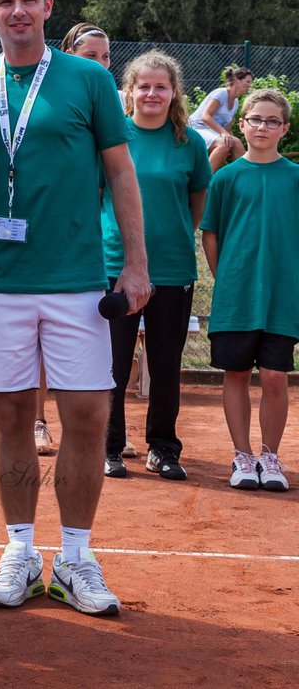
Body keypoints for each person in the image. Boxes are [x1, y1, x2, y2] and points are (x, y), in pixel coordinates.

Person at [0, 0, 151, 617]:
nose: (17, 10)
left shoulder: (88, 80)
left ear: (47, 7)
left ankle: (75, 558)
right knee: (11, 415)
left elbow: (122, 175)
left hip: (76, 279)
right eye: (4, 0)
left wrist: (135, 263)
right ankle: (19, 550)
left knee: (88, 415)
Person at [102, 51, 210, 480]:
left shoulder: (191, 143)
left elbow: (196, 200)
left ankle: (162, 447)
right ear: (129, 91)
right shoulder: (113, 135)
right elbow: (95, 196)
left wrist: (173, 234)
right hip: (114, 266)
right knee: (111, 364)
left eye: (160, 86)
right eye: (143, 86)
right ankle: (109, 446)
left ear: (173, 93)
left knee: (165, 364)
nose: (151, 93)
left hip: (173, 269)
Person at [201, 88, 296, 492]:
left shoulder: (294, 177)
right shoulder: (225, 177)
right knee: (236, 372)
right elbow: (211, 232)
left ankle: (269, 456)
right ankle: (242, 456)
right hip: (237, 296)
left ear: (284, 129)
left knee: (275, 376)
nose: (262, 126)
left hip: (282, 296)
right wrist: (228, 279)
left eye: (272, 121)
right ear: (242, 124)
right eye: (256, 119)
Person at [59, 22, 139, 459]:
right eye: (92, 56)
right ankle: (38, 422)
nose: (102, 65)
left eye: (107, 57)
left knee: (101, 365)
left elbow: (118, 178)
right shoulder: (53, 92)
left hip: (89, 249)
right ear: (70, 52)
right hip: (47, 249)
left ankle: (111, 440)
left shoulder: (106, 103)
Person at [189, 66, 251, 168]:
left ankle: (245, 178)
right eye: (247, 81)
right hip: (196, 128)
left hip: (211, 132)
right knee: (223, 144)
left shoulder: (235, 102)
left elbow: (227, 130)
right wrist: (224, 133)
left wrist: (231, 140)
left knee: (236, 142)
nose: (250, 85)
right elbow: (205, 116)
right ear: (236, 80)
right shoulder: (221, 93)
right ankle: (205, 181)